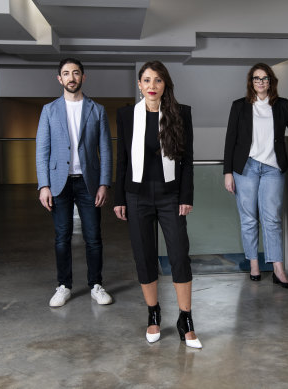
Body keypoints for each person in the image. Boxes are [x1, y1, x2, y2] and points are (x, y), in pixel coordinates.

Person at [114, 61, 201, 348]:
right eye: (147, 80)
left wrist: (186, 196)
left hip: (170, 196)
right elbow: (122, 159)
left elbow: (187, 160)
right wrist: (119, 198)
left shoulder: (180, 113)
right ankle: (153, 314)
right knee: (144, 257)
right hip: (136, 196)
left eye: (158, 80)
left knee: (179, 255)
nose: (152, 86)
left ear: (165, 85)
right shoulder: (127, 115)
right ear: (139, 85)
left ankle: (185, 319)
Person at [36, 58, 113, 308]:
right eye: (66, 74)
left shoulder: (97, 110)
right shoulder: (49, 110)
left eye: (76, 73)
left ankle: (96, 285)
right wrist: (43, 185)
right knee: (61, 238)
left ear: (83, 77)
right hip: (59, 183)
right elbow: (42, 150)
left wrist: (104, 184)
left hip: (88, 183)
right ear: (60, 79)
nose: (71, 77)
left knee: (93, 237)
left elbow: (106, 150)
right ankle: (64, 286)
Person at [223, 63, 288, 289]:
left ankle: (278, 269)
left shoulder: (281, 105)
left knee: (272, 219)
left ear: (271, 81)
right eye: (256, 78)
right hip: (246, 168)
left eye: (265, 78)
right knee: (249, 219)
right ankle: (254, 265)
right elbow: (230, 140)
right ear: (251, 82)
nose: (261, 82)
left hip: (273, 168)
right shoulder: (239, 106)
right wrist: (227, 172)